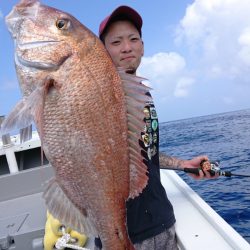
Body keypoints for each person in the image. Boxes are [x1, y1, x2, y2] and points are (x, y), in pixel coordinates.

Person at [95, 6, 217, 250]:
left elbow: (145, 154)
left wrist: (184, 164)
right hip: (124, 235)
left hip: (162, 222)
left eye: (133, 39)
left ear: (142, 45)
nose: (127, 47)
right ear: (103, 52)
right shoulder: (100, 96)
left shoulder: (142, 93)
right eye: (116, 42)